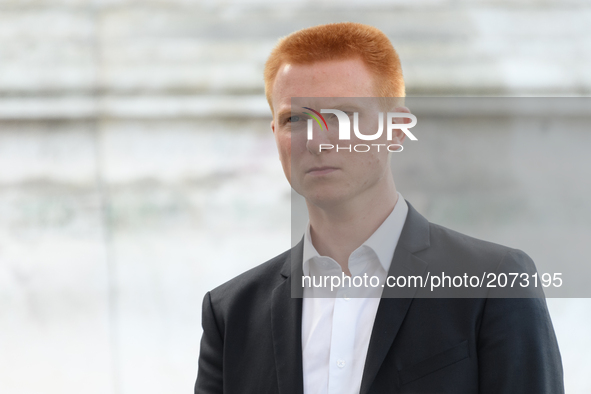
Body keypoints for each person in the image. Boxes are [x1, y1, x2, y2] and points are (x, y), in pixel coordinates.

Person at [195, 22, 564, 394]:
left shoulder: (494, 283)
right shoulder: (231, 313)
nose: (317, 141)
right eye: (296, 119)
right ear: (275, 134)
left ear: (397, 129)